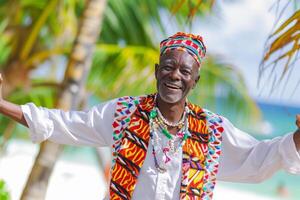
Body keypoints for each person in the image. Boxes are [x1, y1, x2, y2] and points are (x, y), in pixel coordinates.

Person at [0, 32, 300, 200]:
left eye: (185, 71)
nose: (175, 75)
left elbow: (259, 159)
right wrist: (3, 105)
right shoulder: (123, 113)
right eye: (168, 66)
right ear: (157, 71)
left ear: (194, 81)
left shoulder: (212, 130)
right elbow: (65, 124)